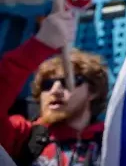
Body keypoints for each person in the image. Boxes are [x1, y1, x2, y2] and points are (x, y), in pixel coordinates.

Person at [0, 11, 109, 166]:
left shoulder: (115, 140)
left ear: (93, 91)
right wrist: (40, 45)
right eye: (47, 85)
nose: (55, 90)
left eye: (68, 82)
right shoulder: (22, 136)